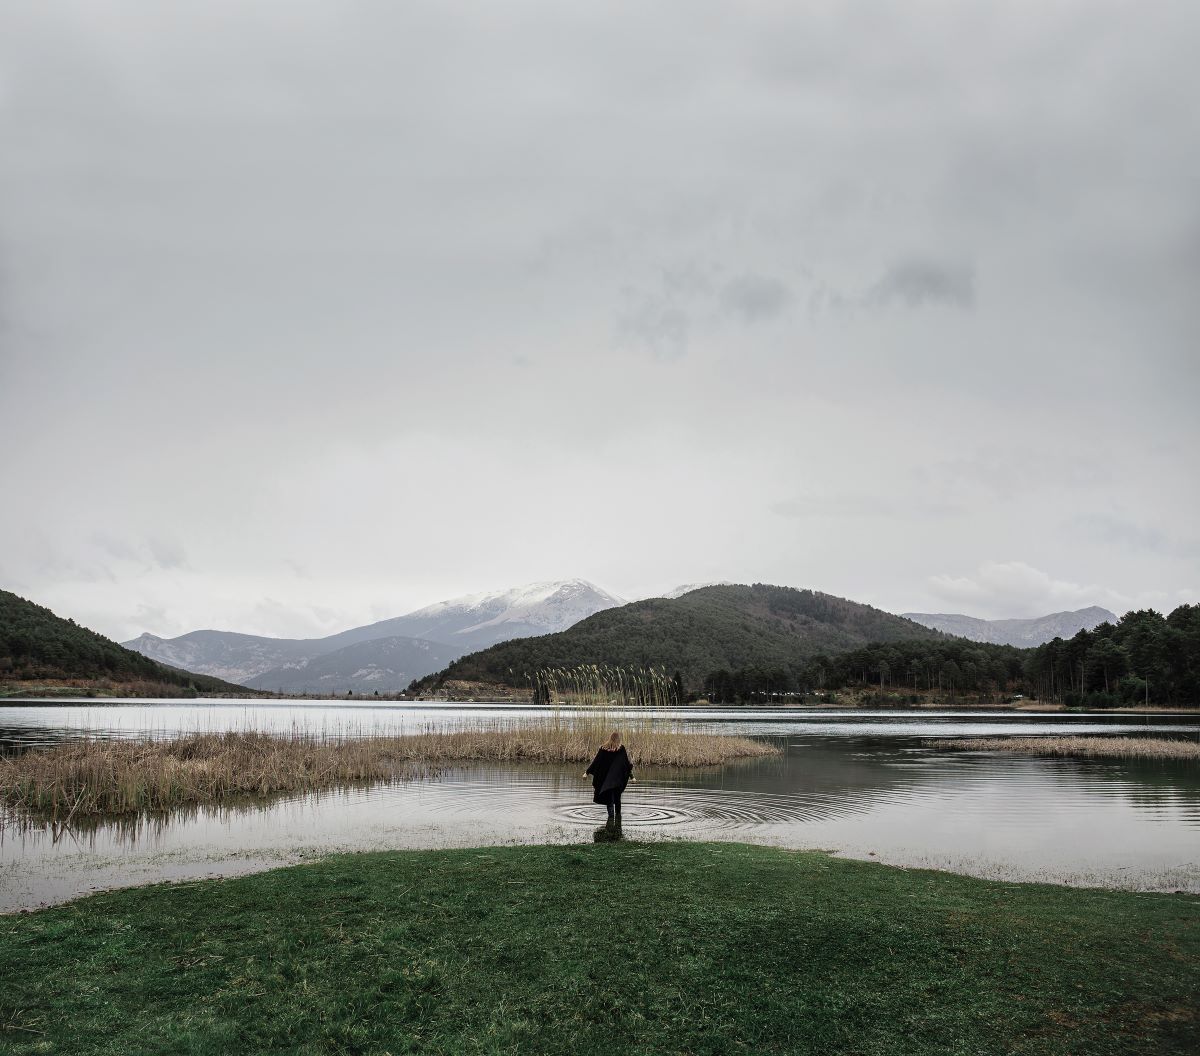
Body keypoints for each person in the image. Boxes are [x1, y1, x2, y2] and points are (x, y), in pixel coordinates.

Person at [584, 730, 634, 828]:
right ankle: (618, 821)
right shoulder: (621, 749)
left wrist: (587, 772)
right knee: (617, 799)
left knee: (609, 800)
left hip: (606, 781)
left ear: (610, 738)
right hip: (617, 780)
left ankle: (611, 819)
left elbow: (596, 762)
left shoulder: (603, 749)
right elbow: (626, 765)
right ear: (618, 739)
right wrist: (632, 777)